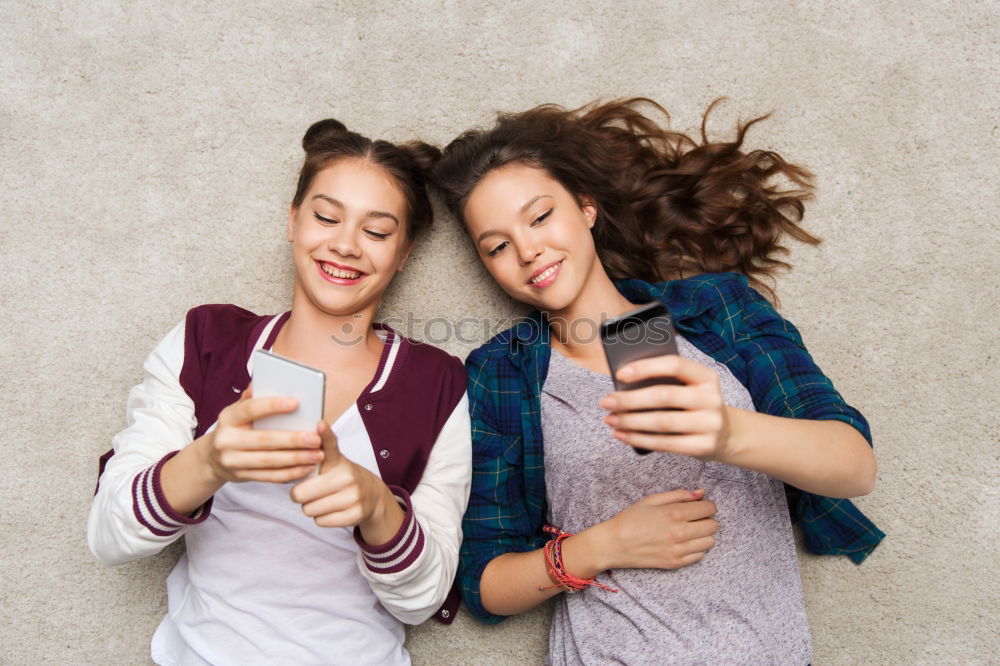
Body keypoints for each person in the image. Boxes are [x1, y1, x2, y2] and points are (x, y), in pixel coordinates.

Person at [428, 98, 884, 664]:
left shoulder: (715, 309)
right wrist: (602, 545)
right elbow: (486, 585)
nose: (528, 250)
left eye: (540, 216)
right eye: (496, 246)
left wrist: (727, 433)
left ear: (586, 208)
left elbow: (854, 465)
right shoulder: (505, 370)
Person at [88, 120, 471, 666]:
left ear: (404, 253)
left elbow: (423, 599)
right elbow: (109, 537)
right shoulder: (206, 340)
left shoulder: (438, 381)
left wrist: (374, 506)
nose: (344, 243)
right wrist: (209, 460)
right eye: (326, 216)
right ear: (292, 221)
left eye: (377, 231)